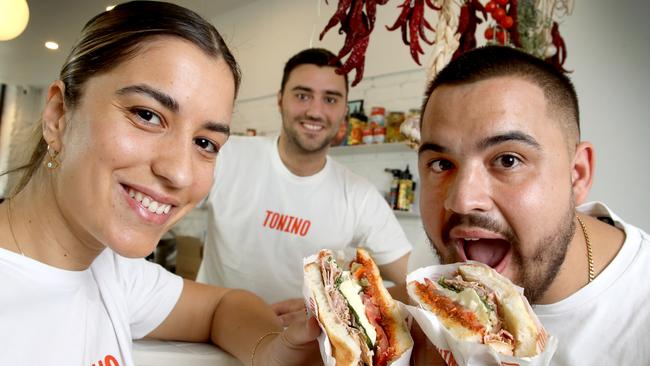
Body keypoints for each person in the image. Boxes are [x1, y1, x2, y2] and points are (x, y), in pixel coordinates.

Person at [0, 2, 322, 365]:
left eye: (205, 143)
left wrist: (275, 350)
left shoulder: (113, 271)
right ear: (58, 116)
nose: (180, 173)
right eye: (147, 115)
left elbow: (222, 305)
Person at [412, 45, 650, 364]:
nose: (461, 200)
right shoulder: (426, 280)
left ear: (577, 174)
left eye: (508, 160)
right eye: (441, 164)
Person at [196, 47, 413, 325]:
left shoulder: (359, 195)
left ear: (344, 110)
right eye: (302, 95)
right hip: (211, 336)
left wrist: (344, 303)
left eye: (330, 99)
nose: (315, 111)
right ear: (280, 100)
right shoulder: (226, 155)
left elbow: (415, 280)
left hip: (302, 347)